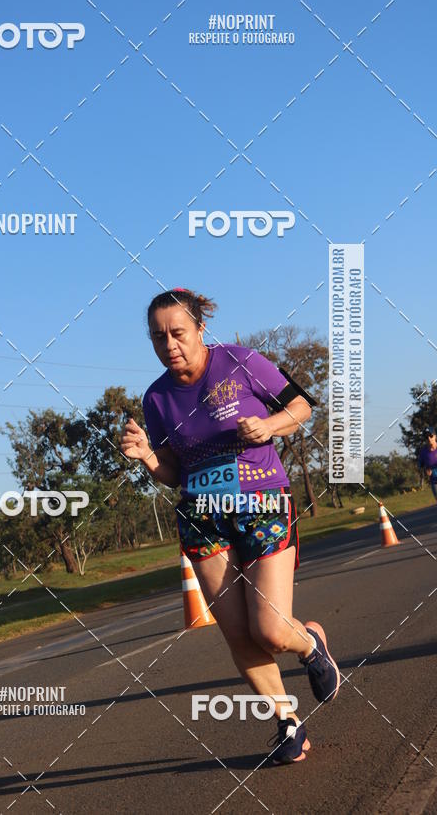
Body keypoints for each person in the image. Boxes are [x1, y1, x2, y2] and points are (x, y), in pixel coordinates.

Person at [120, 288, 340, 764]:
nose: (169, 344)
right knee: (238, 634)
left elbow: (301, 405)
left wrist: (270, 426)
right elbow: (174, 472)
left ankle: (310, 644)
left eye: (178, 332)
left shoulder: (241, 362)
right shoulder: (157, 398)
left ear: (200, 329)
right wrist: (148, 458)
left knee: (271, 631)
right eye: (158, 337)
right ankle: (287, 724)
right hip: (202, 516)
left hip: (261, 501)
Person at [418, 426, 437, 502]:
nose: (429, 438)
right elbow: (421, 465)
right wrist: (426, 470)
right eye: (426, 437)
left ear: (435, 436)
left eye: (431, 436)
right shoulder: (423, 452)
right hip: (435, 482)